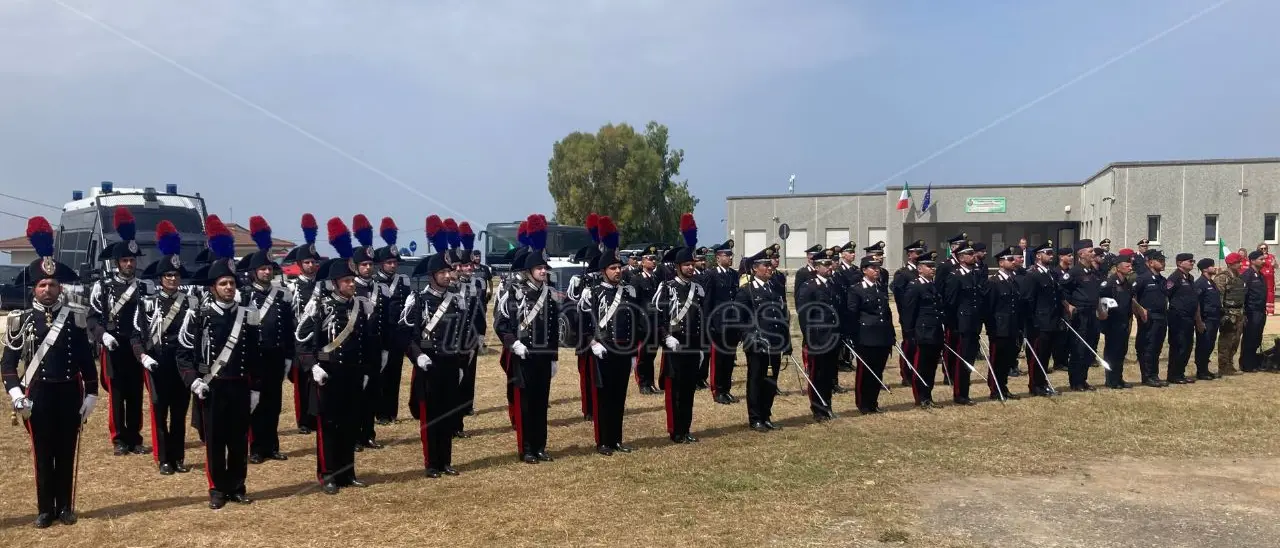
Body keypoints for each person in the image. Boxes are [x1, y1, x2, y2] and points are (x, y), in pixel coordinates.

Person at [3, 217, 98, 528]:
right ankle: (45, 509)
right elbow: (7, 364)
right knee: (42, 454)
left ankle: (65, 506)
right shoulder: (20, 319)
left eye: (53, 284)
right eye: (42, 284)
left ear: (60, 287)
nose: (48, 289)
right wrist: (17, 395)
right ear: (35, 287)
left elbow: (86, 359)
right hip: (39, 395)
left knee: (67, 450)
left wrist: (93, 394)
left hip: (69, 392)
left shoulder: (75, 318)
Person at [178, 218, 261, 509]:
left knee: (239, 440)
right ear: (213, 287)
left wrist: (256, 388)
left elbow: (255, 354)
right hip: (212, 388)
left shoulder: (247, 314)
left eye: (232, 283)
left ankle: (237, 485)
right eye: (223, 283)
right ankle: (216, 489)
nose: (229, 287)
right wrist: (194, 381)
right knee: (214, 441)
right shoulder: (199, 315)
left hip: (239, 386)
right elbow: (184, 353)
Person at [296, 217, 377, 494]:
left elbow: (365, 343)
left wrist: (366, 371)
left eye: (352, 280)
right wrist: (312, 366)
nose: (352, 284)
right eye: (346, 281)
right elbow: (302, 341)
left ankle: (347, 472)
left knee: (350, 424)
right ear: (335, 283)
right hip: (327, 375)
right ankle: (328, 474)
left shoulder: (359, 306)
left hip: (352, 374)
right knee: (328, 427)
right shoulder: (319, 306)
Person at [402, 221, 468, 478]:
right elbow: (406, 336)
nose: (447, 275)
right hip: (428, 365)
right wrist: (418, 357)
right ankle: (431, 463)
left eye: (448, 271)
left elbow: (461, 335)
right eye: (442, 272)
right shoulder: (417, 300)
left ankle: (446, 460)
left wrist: (462, 363)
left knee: (448, 414)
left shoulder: (457, 300)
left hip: (450, 364)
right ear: (432, 275)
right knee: (430, 418)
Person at [133, 221, 199, 474]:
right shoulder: (148, 304)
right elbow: (136, 336)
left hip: (182, 364)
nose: (172, 279)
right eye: (168, 276)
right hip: (158, 363)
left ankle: (178, 457)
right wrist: (143, 358)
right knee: (160, 413)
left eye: (176, 275)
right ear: (160, 279)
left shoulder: (190, 302)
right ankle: (163, 459)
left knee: (179, 412)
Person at [495, 214, 561, 463]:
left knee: (540, 403)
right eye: (539, 268)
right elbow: (501, 324)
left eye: (545, 268)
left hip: (543, 356)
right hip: (523, 356)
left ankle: (541, 446)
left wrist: (554, 357)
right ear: (529, 271)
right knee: (525, 405)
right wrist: (514, 343)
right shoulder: (514, 293)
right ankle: (527, 449)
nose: (543, 271)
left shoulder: (549, 295)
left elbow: (553, 329)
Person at [87, 206, 150, 456]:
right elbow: (92, 317)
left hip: (136, 347)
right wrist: (103, 335)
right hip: (113, 346)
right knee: (117, 394)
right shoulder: (102, 287)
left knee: (136, 392)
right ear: (117, 262)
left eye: (132, 260)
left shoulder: (144, 287)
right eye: (125, 260)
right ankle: (119, 439)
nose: (129, 264)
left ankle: (135, 437)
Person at [582, 218, 643, 456]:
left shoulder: (628, 293)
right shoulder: (593, 293)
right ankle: (603, 441)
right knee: (603, 399)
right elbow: (583, 324)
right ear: (603, 271)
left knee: (619, 398)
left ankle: (617, 439)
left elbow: (635, 324)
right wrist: (592, 343)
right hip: (602, 351)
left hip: (622, 351)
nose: (618, 271)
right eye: (613, 268)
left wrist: (634, 353)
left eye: (620, 268)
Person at [653, 213, 707, 441]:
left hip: (693, 344)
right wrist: (666, 337)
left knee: (688, 390)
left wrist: (703, 347)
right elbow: (657, 317)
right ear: (677, 267)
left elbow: (702, 319)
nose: (690, 268)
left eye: (692, 264)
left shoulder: (698, 288)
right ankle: (675, 430)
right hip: (674, 344)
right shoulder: (666, 288)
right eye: (686, 265)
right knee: (674, 391)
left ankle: (686, 429)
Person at [736, 247, 790, 431]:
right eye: (765, 265)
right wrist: (750, 335)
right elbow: (739, 318)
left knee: (771, 381)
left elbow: (781, 317)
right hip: (757, 343)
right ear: (754, 268)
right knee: (756, 380)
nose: (769, 268)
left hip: (774, 342)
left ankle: (766, 414)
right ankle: (755, 417)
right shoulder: (746, 291)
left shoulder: (774, 289)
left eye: (770, 265)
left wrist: (787, 341)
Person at [284, 213, 325, 434]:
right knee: (301, 384)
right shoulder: (292, 288)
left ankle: (316, 415)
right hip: (299, 341)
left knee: (317, 381)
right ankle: (303, 421)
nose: (311, 266)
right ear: (299, 265)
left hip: (317, 340)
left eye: (313, 262)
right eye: (307, 262)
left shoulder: (322, 286)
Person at [372, 217, 413, 426]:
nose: (392, 265)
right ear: (381, 264)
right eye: (389, 262)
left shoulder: (403, 281)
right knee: (380, 375)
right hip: (380, 336)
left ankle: (391, 412)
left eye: (395, 262)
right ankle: (380, 413)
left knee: (395, 375)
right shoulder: (374, 282)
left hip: (397, 335)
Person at [349, 214, 384, 451]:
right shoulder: (351, 288)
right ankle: (353, 436)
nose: (368, 268)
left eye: (371, 264)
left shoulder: (378, 287)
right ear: (356, 266)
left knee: (371, 392)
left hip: (374, 346)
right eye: (364, 265)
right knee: (354, 395)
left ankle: (368, 433)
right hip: (355, 348)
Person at [795, 248, 841, 421]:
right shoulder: (810, 287)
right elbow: (804, 315)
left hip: (832, 337)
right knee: (818, 374)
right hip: (818, 338)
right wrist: (809, 339)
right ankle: (817, 408)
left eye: (831, 263)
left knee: (829, 374)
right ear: (816, 267)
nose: (830, 267)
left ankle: (827, 405)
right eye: (826, 264)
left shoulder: (832, 284)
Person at [450, 221, 487, 436]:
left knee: (467, 378)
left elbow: (480, 312)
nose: (464, 270)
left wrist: (480, 335)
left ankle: (463, 414)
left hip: (469, 339)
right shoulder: (448, 290)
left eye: (465, 266)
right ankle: (453, 423)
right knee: (453, 382)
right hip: (451, 342)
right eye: (459, 267)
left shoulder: (475, 286)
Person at [566, 215, 603, 420]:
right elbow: (572, 306)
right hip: (584, 335)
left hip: (603, 334)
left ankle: (598, 406)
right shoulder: (578, 281)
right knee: (587, 375)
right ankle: (588, 408)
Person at [847, 256, 895, 413]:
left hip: (882, 336)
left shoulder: (880, 288)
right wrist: (854, 337)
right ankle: (863, 404)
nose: (877, 270)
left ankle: (873, 402)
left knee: (878, 371)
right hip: (865, 337)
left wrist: (891, 334)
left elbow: (886, 313)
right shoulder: (857, 289)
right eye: (873, 267)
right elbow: (852, 315)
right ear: (864, 270)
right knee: (865, 372)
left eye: (878, 267)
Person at [899, 251, 944, 408]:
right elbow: (908, 313)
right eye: (929, 266)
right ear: (919, 269)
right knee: (921, 367)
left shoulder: (932, 285)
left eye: (934, 266)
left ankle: (928, 395)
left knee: (931, 367)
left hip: (935, 332)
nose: (933, 269)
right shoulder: (914, 286)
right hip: (922, 333)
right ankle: (920, 398)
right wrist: (910, 334)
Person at [1059, 241, 1104, 391]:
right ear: (1081, 254)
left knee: (1089, 348)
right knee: (1078, 348)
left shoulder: (1093, 272)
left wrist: (1100, 309)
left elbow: (1096, 293)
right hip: (1080, 315)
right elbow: (1060, 290)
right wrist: (1068, 306)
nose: (1093, 254)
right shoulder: (1074, 272)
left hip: (1092, 313)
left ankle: (1083, 379)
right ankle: (1075, 381)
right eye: (1090, 251)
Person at [943, 240, 982, 405]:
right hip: (961, 325)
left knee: (970, 359)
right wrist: (954, 326)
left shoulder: (974, 274)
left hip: (973, 324)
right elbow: (949, 303)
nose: (974, 257)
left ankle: (965, 392)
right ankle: (960, 394)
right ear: (961, 257)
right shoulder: (955, 276)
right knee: (962, 360)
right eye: (970, 254)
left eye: (973, 254)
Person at [983, 247, 1025, 400]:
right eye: (1010, 259)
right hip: (999, 328)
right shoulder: (993, 282)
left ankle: (1003, 386)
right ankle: (995, 389)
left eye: (1014, 259)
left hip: (1012, 327)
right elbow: (989, 308)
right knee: (997, 359)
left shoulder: (1013, 280)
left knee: (1007, 359)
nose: (1014, 262)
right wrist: (991, 329)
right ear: (1001, 262)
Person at [704, 238, 741, 405]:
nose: (730, 258)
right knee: (718, 360)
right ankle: (717, 390)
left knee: (729, 359)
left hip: (733, 323)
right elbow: (707, 302)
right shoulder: (711, 275)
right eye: (726, 255)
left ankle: (726, 389)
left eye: (731, 255)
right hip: (718, 324)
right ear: (718, 257)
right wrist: (709, 324)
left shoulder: (734, 274)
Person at [1024, 242, 1061, 396]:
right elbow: (1029, 300)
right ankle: (1035, 385)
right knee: (1037, 356)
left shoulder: (1051, 273)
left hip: (1051, 321)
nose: (1051, 256)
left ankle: (1043, 382)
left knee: (1046, 355)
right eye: (1048, 253)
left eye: (1052, 253)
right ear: (1038, 256)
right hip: (1039, 322)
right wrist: (1032, 323)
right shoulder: (1032, 274)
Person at [1100, 251, 1137, 389]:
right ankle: (1111, 380)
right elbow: (1101, 300)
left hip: (1124, 322)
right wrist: (1104, 318)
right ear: (1118, 267)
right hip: (1113, 323)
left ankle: (1118, 378)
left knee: (1122, 351)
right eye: (1127, 265)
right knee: (1112, 352)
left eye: (1130, 265)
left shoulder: (1127, 283)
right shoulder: (1109, 283)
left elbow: (1129, 301)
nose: (1130, 267)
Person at [1134, 250, 1170, 388]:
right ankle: (1147, 376)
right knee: (1147, 347)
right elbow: (1131, 296)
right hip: (1149, 318)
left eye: (1163, 260)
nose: (1163, 263)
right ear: (1150, 263)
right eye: (1159, 260)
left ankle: (1154, 375)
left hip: (1162, 316)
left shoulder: (1162, 280)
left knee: (1157, 347)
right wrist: (1139, 310)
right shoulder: (1142, 278)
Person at [892, 240, 926, 386]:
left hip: (922, 316)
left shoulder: (922, 270)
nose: (920, 255)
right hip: (909, 316)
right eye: (917, 253)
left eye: (921, 252)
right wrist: (905, 316)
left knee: (920, 345)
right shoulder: (903, 273)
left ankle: (917, 371)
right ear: (909, 254)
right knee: (909, 344)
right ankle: (906, 374)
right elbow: (900, 297)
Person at [630, 244, 663, 395]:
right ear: (642, 262)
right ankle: (642, 382)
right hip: (643, 324)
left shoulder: (656, 279)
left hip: (655, 322)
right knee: (642, 356)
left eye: (655, 259)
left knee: (651, 354)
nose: (653, 261)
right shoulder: (636, 279)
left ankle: (650, 382)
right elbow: (633, 304)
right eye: (650, 259)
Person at [1165, 253, 1199, 384]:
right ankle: (1174, 375)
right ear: (1180, 263)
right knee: (1178, 345)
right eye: (1190, 261)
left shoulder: (1190, 277)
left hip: (1189, 317)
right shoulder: (1175, 278)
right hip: (1178, 317)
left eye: (1193, 261)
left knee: (1187, 346)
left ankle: (1180, 373)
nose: (1192, 263)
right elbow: (1167, 294)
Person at [1213, 252, 1246, 376]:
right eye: (1238, 262)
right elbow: (1219, 297)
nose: (1240, 264)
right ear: (1230, 263)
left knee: (1235, 340)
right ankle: (1223, 366)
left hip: (1239, 313)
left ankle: (1230, 365)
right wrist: (1223, 314)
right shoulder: (1222, 277)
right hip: (1228, 313)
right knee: (1226, 340)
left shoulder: (1238, 277)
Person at [1240, 250, 1269, 372]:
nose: (1264, 261)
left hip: (1260, 311)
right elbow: (1243, 296)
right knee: (1249, 338)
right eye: (1261, 259)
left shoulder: (1260, 275)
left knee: (1257, 337)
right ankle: (1246, 364)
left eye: (1264, 259)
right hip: (1251, 312)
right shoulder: (1247, 275)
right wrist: (1244, 313)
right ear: (1252, 261)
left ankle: (1254, 362)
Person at [1193, 258, 1220, 381]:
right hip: (1205, 319)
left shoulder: (1211, 282)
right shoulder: (1200, 283)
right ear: (1204, 269)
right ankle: (1201, 371)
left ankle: (1205, 369)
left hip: (1214, 318)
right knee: (1203, 345)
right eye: (1212, 266)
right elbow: (1197, 303)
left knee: (1210, 345)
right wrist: (1199, 321)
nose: (1214, 268)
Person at [1050, 246, 1075, 372]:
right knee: (1060, 336)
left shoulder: (1070, 272)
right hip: (1061, 307)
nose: (1071, 258)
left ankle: (1065, 360)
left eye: (1071, 255)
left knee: (1068, 336)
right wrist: (1066, 306)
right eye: (1068, 255)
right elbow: (1058, 292)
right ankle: (1058, 361)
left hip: (1071, 306)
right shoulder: (1056, 272)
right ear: (1061, 257)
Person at [1258, 243, 1275, 315]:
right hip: (1261, 276)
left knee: (1270, 293)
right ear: (1259, 249)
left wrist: (1275, 264)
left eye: (1265, 248)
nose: (1263, 250)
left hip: (1270, 278)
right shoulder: (1258, 256)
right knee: (1260, 292)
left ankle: (1270, 310)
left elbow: (1276, 266)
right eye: (1262, 248)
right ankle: (1261, 309)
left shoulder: (1271, 256)